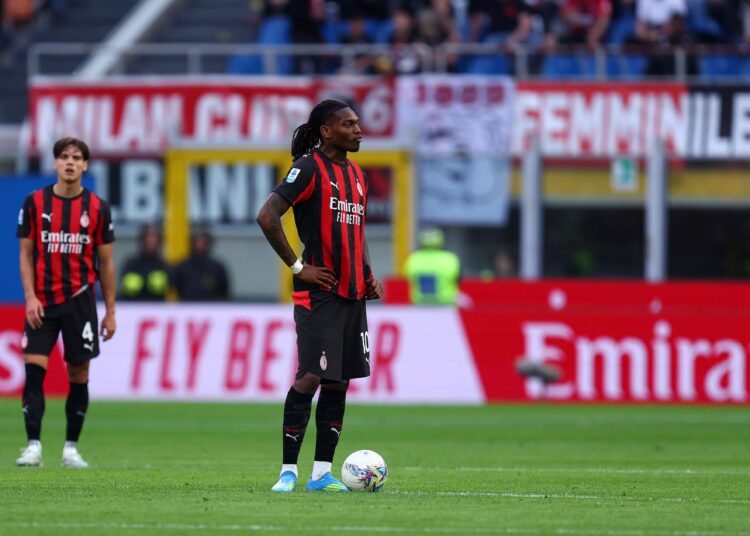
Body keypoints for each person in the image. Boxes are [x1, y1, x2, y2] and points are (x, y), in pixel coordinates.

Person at [256, 99, 383, 492]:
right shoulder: (308, 168)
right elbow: (267, 215)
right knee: (310, 375)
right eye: (348, 124)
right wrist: (298, 267)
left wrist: (368, 273)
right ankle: (287, 472)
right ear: (327, 131)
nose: (358, 129)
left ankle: (321, 474)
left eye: (358, 123)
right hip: (319, 293)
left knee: (338, 381)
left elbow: (356, 232)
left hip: (352, 293)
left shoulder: (358, 176)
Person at [14, 137, 116, 468]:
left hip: (80, 302)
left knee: (78, 374)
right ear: (55, 163)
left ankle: (71, 448)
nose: (70, 162)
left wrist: (110, 311)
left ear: (85, 165)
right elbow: (26, 254)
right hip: (42, 302)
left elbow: (107, 263)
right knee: (34, 371)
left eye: (76, 157)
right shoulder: (35, 202)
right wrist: (29, 296)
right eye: (63, 157)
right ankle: (33, 446)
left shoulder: (98, 208)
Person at [403, 228, 461, 305]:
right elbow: (459, 279)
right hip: (446, 304)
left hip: (420, 304)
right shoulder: (450, 259)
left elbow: (405, 279)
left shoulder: (413, 259)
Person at [172, 228, 230, 301]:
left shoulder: (217, 268)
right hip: (187, 310)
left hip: (210, 310)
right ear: (191, 243)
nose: (200, 244)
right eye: (197, 241)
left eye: (203, 241)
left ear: (209, 243)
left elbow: (224, 294)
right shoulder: (181, 267)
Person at [119, 223, 170, 301]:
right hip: (132, 309)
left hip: (157, 309)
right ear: (142, 239)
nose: (151, 240)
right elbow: (122, 288)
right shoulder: (131, 264)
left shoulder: (164, 265)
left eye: (154, 237)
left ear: (159, 241)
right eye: (148, 236)